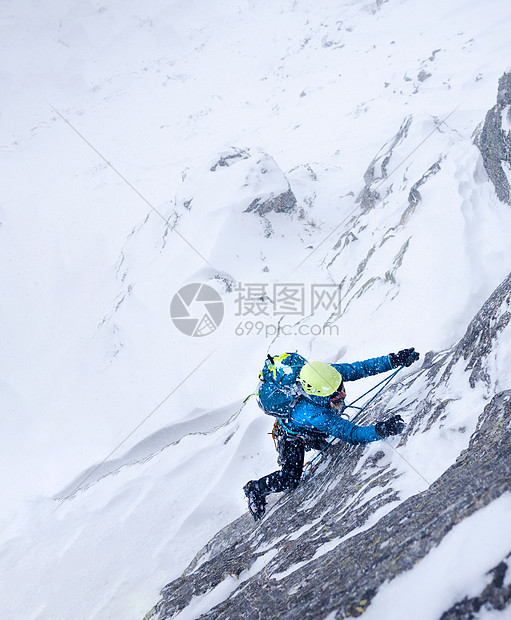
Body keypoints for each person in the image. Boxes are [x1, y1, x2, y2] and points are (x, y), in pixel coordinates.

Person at [243, 348, 419, 520]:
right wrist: (381, 430)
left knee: (327, 439)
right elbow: (352, 434)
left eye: (341, 387)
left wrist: (394, 359)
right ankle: (256, 489)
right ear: (321, 395)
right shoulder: (312, 413)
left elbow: (362, 368)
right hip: (292, 436)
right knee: (290, 478)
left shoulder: (326, 376)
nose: (343, 393)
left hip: (309, 425)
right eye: (336, 394)